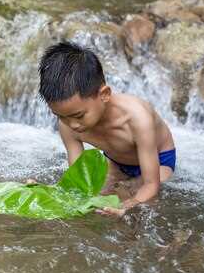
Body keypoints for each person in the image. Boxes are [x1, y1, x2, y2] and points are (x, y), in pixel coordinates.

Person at [38, 41, 176, 216]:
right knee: (100, 198)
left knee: (143, 203)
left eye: (79, 116)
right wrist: (42, 192)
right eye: (60, 116)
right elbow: (79, 182)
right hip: (116, 160)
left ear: (104, 94)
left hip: (159, 159)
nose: (72, 124)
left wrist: (127, 206)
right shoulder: (68, 124)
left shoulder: (137, 119)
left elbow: (151, 185)